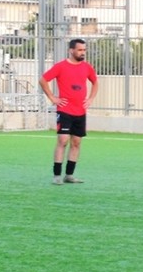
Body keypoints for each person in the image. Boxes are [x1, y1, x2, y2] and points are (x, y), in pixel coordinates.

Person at [38, 38, 99, 185]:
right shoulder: (60, 66)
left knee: (76, 142)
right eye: (80, 50)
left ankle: (69, 175)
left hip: (80, 111)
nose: (83, 52)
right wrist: (52, 97)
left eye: (84, 50)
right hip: (65, 110)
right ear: (71, 50)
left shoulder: (87, 67)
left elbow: (95, 82)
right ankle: (57, 175)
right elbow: (43, 80)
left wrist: (91, 98)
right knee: (63, 140)